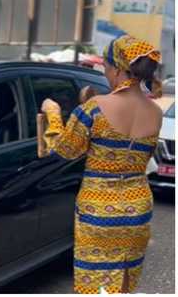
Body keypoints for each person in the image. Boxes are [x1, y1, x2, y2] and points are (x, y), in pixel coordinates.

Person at [41, 35, 163, 294]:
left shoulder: (94, 109)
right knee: (124, 286)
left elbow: (63, 150)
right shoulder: (156, 112)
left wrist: (52, 113)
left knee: (95, 285)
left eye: (106, 68)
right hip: (137, 209)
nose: (105, 73)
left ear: (118, 68)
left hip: (99, 212)